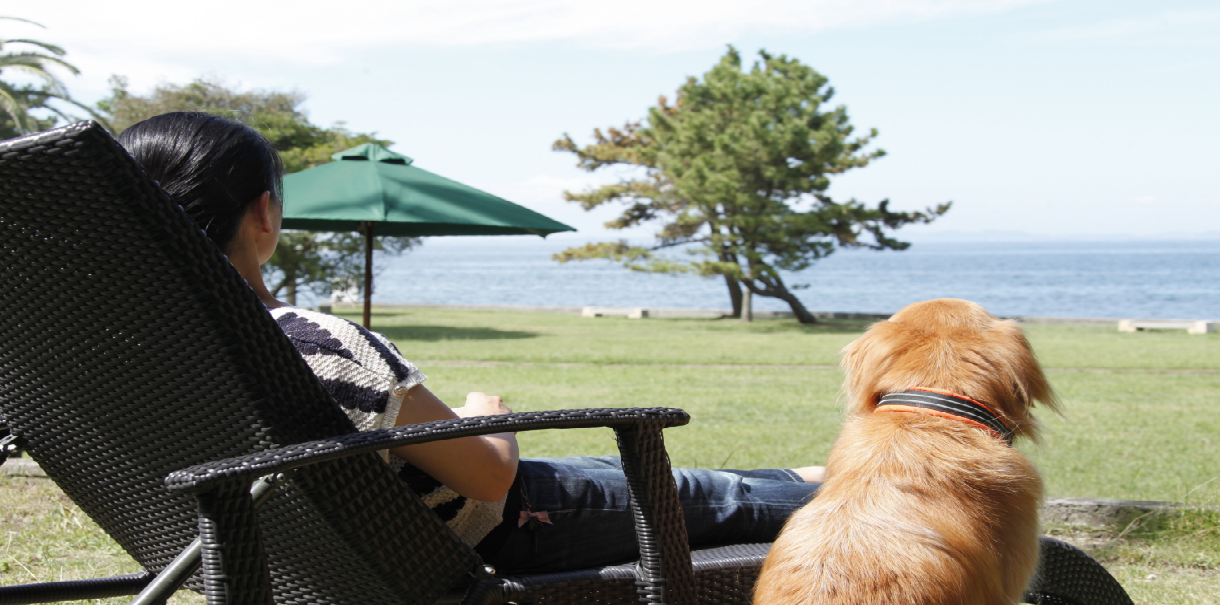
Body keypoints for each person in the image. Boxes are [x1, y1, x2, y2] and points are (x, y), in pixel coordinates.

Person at [118, 112, 823, 574]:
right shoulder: (315, 344)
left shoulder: (131, 357)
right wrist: (487, 414)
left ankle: (830, 474)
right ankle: (878, 490)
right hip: (503, 529)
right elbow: (487, 478)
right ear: (266, 214)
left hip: (321, 553)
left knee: (734, 482)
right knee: (725, 497)